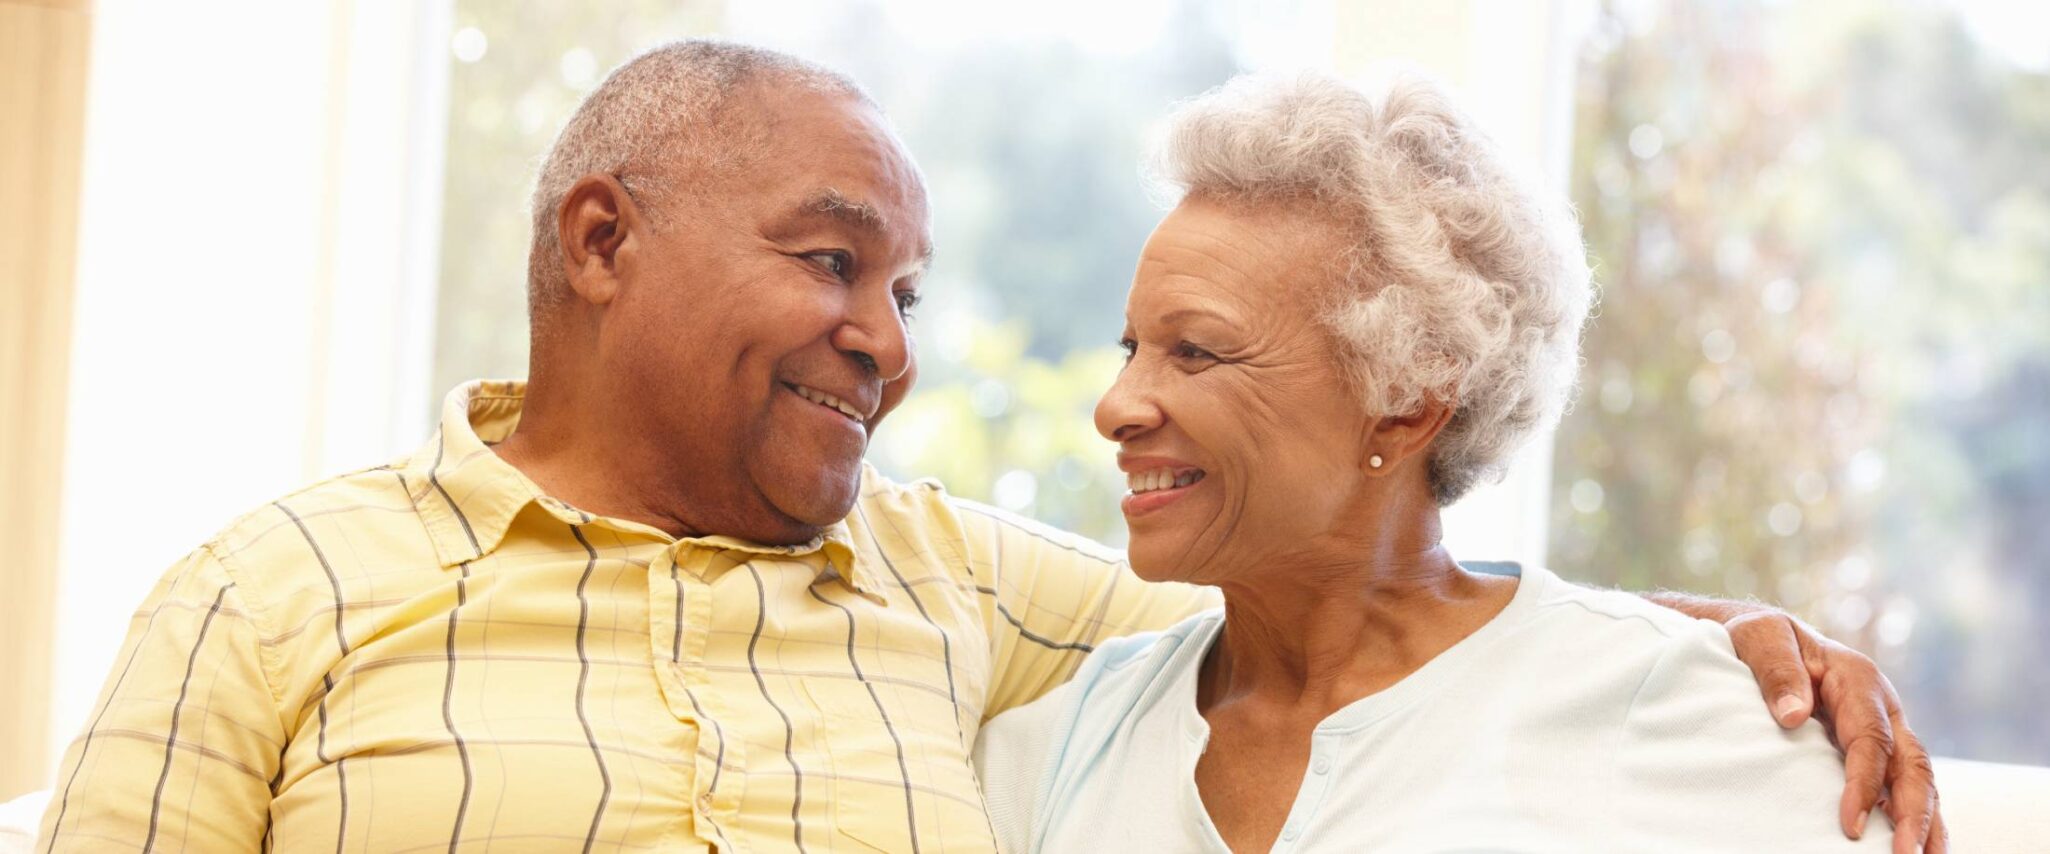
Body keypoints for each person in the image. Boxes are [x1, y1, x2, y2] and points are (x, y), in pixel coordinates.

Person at [38, 42, 1939, 853]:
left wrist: (1700, 640)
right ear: (603, 244)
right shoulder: (271, 594)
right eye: (835, 262)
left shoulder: (956, 586)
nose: (887, 338)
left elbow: (1355, 602)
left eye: (912, 288)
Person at [972, 71, 1945, 853]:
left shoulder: (1681, 708)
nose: (1114, 406)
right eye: (1128, 346)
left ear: (1404, 402)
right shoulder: (1058, 741)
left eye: (1194, 350)